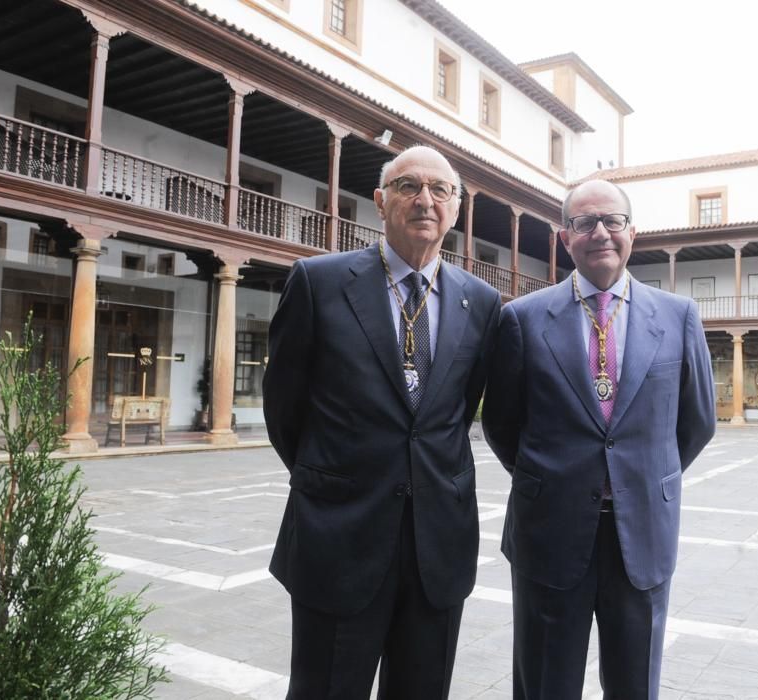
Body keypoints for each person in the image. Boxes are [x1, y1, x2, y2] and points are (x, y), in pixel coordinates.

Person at [264, 145, 500, 699]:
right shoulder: (318, 283)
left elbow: (461, 409)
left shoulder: (482, 303)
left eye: (440, 190)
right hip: (338, 537)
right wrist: (334, 478)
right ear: (379, 201)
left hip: (437, 547)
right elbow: (285, 409)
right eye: (408, 186)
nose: (425, 200)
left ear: (456, 209)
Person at [483, 179, 716, 699]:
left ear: (633, 232)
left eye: (612, 220)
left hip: (642, 535)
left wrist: (641, 479)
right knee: (545, 682)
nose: (600, 232)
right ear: (566, 238)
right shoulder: (522, 318)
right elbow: (501, 424)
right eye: (585, 222)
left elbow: (697, 421)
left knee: (635, 685)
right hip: (550, 531)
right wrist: (553, 480)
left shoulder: (678, 317)